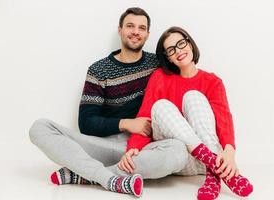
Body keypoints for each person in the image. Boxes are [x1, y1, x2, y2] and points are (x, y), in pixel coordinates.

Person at [29, 8, 190, 198]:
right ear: (120, 29)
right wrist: (127, 123)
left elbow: (185, 79)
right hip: (102, 145)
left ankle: (87, 175)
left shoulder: (158, 65)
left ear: (148, 34)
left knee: (179, 152)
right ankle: (108, 178)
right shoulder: (99, 70)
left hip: (143, 150)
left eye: (141, 28)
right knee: (39, 128)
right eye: (130, 26)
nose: (136, 31)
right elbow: (86, 123)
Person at [119, 26, 253, 200]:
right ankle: (215, 168)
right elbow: (146, 117)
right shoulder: (160, 77)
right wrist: (133, 148)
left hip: (204, 160)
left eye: (181, 44)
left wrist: (229, 152)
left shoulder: (212, 81)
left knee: (193, 96)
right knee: (160, 106)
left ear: (190, 44)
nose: (178, 51)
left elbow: (223, 117)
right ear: (168, 58)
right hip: (180, 157)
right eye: (171, 50)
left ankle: (212, 173)